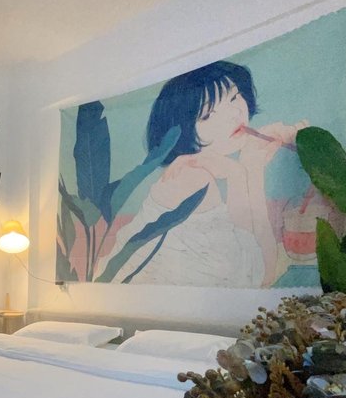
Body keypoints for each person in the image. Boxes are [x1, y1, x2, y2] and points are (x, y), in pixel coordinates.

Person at [102, 61, 307, 287]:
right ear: (182, 130)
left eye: (234, 97)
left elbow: (259, 266)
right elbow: (251, 280)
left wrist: (252, 166)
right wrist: (239, 174)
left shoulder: (196, 171)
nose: (234, 114)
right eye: (208, 114)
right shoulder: (192, 178)